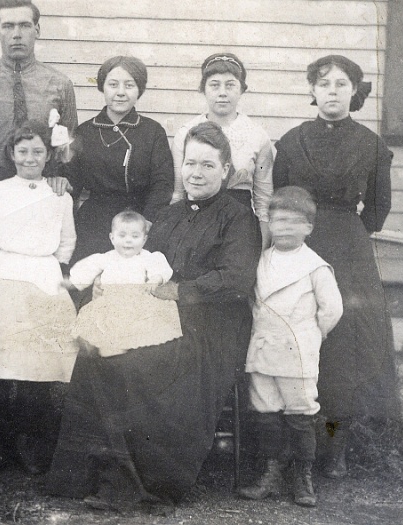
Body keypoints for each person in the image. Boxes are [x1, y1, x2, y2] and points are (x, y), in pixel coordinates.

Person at [46, 121, 261, 509]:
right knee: (97, 352)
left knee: (143, 361)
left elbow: (237, 279)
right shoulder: (169, 214)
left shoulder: (237, 217)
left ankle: (139, 483)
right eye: (191, 163)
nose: (196, 173)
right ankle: (86, 475)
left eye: (208, 165)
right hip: (155, 312)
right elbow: (138, 262)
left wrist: (180, 291)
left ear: (226, 170)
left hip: (212, 325)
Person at [272, 55, 399, 479]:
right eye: (323, 83)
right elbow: (280, 196)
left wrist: (347, 230)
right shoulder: (291, 141)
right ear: (312, 91)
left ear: (354, 92)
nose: (331, 90)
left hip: (348, 249)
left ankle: (335, 447)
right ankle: (288, 446)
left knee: (344, 342)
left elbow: (379, 209)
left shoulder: (370, 144)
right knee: (295, 334)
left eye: (341, 84)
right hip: (299, 244)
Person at [0, 121, 77, 474]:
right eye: (23, 151)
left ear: (49, 155)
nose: (30, 158)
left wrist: (54, 268)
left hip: (44, 277)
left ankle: (30, 441)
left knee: (39, 363)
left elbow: (67, 241)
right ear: (11, 154)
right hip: (3, 276)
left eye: (37, 151)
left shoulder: (60, 195)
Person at [238, 186, 343, 508]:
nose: (283, 227)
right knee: (265, 411)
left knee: (299, 413)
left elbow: (332, 310)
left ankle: (302, 477)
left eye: (293, 221)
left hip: (297, 350)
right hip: (263, 346)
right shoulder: (260, 260)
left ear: (308, 227)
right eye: (277, 220)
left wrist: (309, 337)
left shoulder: (315, 266)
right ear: (268, 223)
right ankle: (271, 474)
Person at [64, 56, 174, 264]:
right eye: (113, 85)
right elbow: (72, 181)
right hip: (94, 222)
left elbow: (162, 183)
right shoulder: (85, 132)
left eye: (129, 85)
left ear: (139, 89)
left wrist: (147, 221)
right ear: (102, 87)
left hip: (137, 223)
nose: (120, 92)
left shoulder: (152, 132)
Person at [0, 0, 78, 187]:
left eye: (24, 25)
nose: (16, 34)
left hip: (42, 182)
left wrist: (61, 178)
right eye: (8, 26)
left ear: (37, 30)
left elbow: (67, 144)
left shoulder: (60, 84)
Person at [171, 52, 274, 246]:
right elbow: (178, 194)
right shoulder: (186, 133)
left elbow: (263, 201)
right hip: (195, 221)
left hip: (240, 225)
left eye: (230, 85)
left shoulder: (257, 135)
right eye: (214, 85)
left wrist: (261, 250)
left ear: (241, 89)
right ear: (203, 89)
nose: (222, 93)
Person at [67, 210, 181, 357]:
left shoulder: (147, 257)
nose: (128, 240)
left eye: (135, 236)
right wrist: (73, 282)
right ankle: (105, 354)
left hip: (135, 302)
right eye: (122, 236)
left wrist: (156, 278)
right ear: (112, 238)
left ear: (144, 239)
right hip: (110, 303)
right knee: (99, 334)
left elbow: (159, 267)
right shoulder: (106, 258)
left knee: (130, 338)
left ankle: (118, 355)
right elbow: (87, 269)